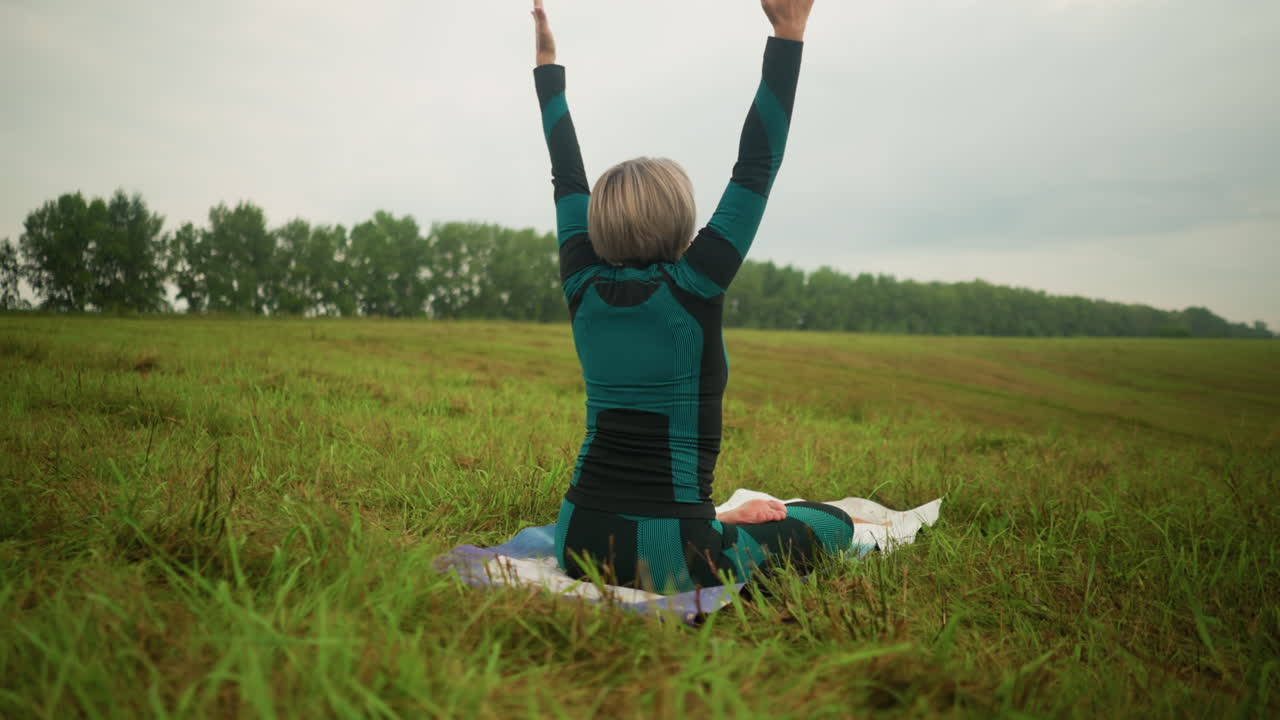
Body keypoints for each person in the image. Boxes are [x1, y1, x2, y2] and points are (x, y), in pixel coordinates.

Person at [531, 0, 858, 594]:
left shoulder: (580, 284)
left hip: (576, 539)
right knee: (831, 523)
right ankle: (716, 523)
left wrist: (547, 69)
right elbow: (756, 167)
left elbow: (566, 176)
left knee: (723, 516)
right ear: (682, 220)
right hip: (673, 556)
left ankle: (717, 518)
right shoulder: (695, 285)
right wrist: (789, 31)